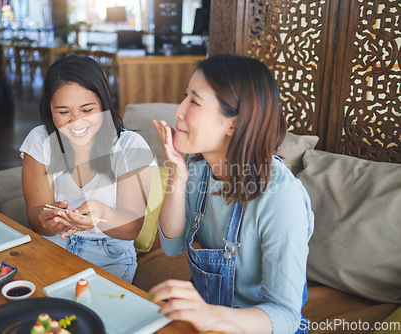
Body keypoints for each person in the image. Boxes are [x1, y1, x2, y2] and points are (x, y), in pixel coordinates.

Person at [149, 54, 314, 334]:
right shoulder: (199, 170)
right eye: (185, 96)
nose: (178, 110)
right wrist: (178, 174)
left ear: (234, 124)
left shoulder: (281, 196)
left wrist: (211, 315)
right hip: (209, 320)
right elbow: (172, 245)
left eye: (195, 102)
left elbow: (286, 317)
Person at [20, 55, 155, 283]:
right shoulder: (39, 140)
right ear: (49, 108)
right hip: (54, 243)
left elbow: (132, 227)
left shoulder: (130, 146)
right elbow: (35, 214)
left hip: (108, 253)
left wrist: (102, 215)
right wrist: (45, 220)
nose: (76, 122)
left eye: (87, 110)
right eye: (63, 112)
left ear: (103, 102)